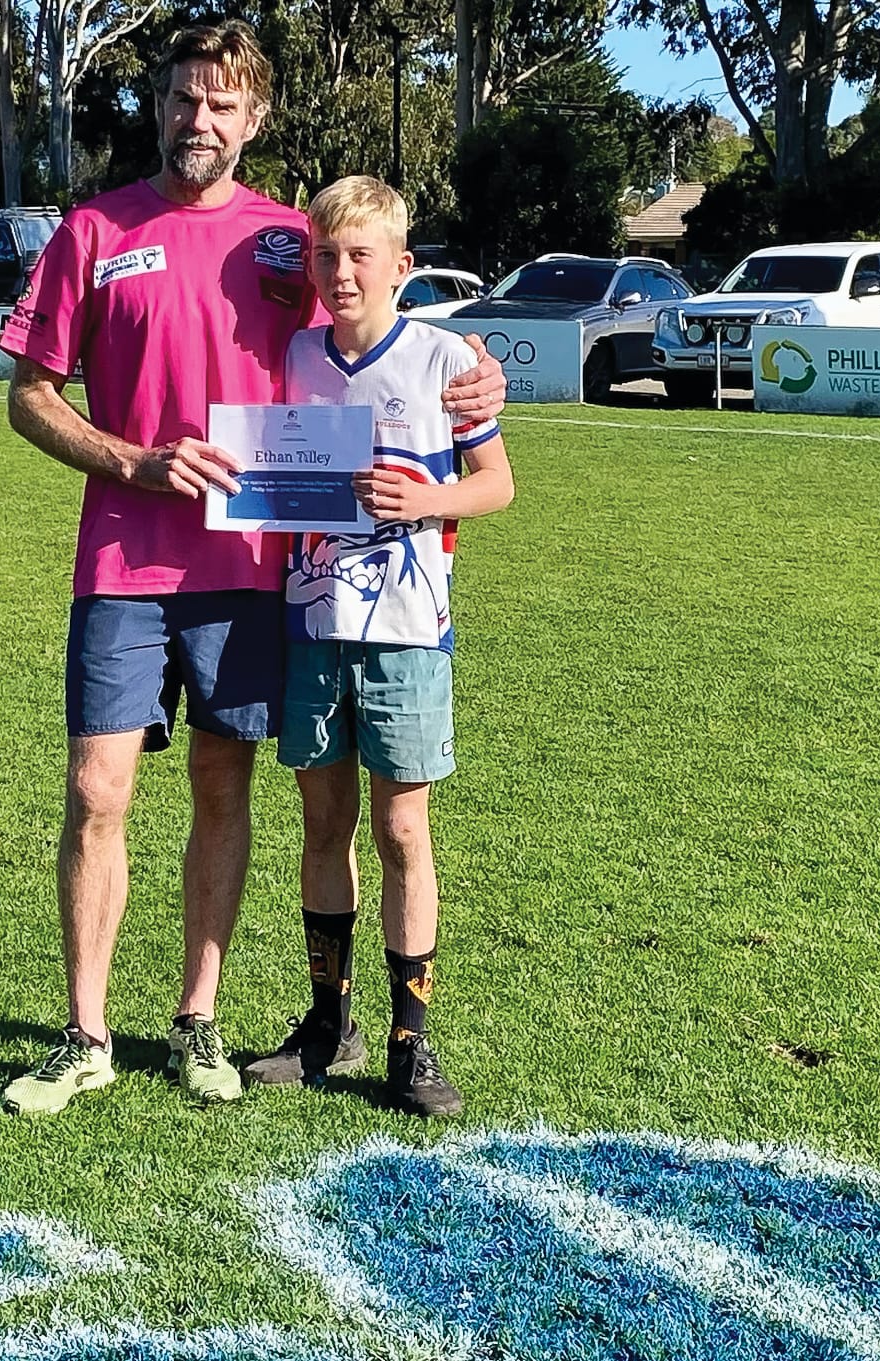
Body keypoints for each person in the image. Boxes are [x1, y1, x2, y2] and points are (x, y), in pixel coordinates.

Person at [0, 23, 504, 1115]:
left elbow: (373, 335)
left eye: (222, 103)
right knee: (96, 790)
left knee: (222, 787)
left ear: (254, 118)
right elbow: (29, 395)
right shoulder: (93, 229)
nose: (201, 119)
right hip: (122, 564)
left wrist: (477, 380)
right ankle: (84, 1034)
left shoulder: (288, 242)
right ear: (159, 106)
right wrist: (132, 460)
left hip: (252, 569)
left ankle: (198, 1019)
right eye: (184, 98)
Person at [240, 177, 514, 1117]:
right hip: (314, 624)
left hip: (408, 633)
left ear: (402, 265)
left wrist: (427, 498)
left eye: (361, 255)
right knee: (324, 825)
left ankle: (411, 1038)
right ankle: (330, 1023)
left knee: (402, 829)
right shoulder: (295, 355)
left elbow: (497, 482)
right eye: (327, 255)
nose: (342, 272)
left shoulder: (445, 357)